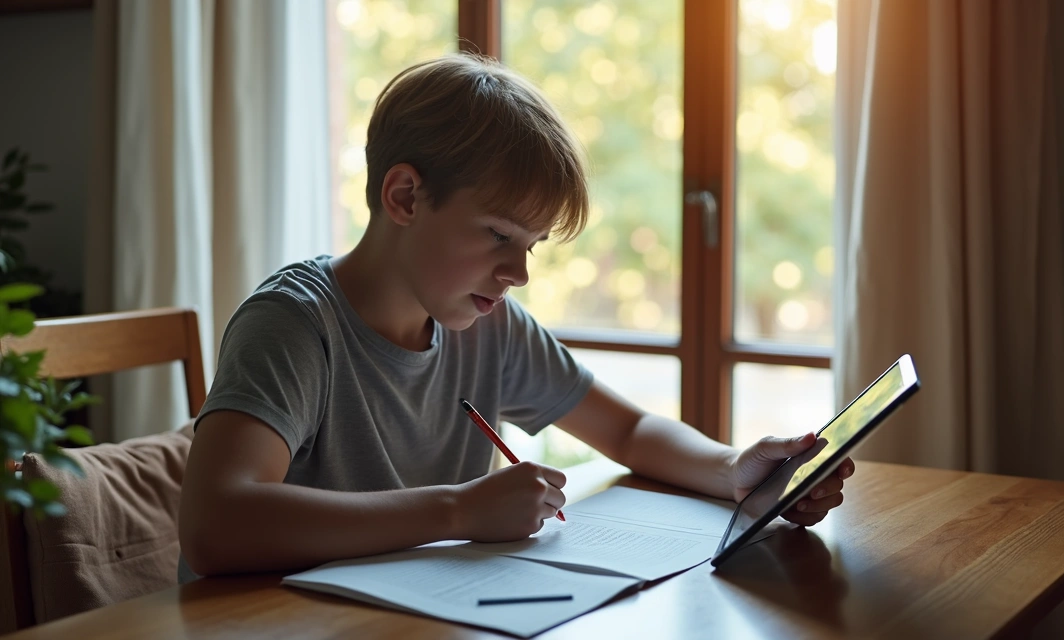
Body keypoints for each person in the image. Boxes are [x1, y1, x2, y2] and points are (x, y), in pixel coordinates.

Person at [177, 53, 852, 579]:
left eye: (531, 247)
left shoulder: (488, 323)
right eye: (499, 235)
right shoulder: (295, 325)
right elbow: (216, 524)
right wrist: (459, 509)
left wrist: (734, 469)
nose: (518, 274)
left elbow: (631, 429)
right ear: (406, 196)